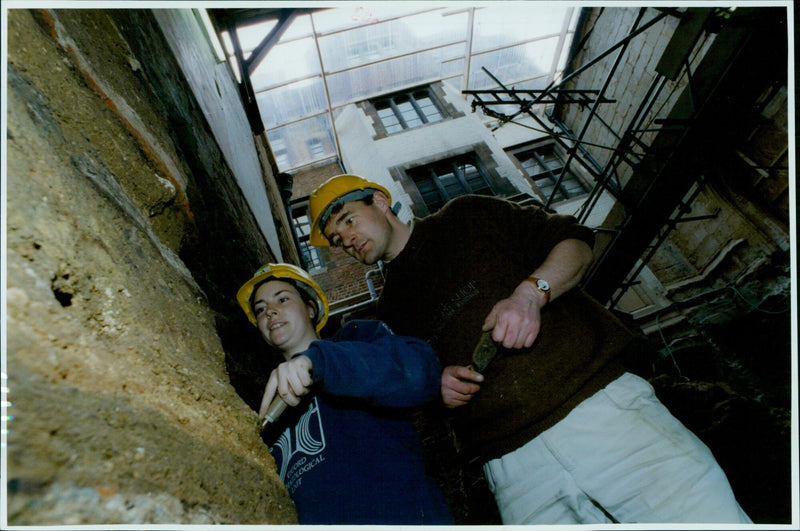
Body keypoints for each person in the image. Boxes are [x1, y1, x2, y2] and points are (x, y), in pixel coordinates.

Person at [306, 174, 753, 525]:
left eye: (348, 220)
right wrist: (437, 387)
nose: (347, 239)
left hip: (602, 416)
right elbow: (420, 387)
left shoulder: (467, 216)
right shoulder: (391, 310)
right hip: (514, 471)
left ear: (380, 202)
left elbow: (576, 243)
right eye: (338, 239)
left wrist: (530, 293)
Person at [236, 262, 452, 525]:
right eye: (260, 310)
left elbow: (421, 371)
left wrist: (318, 362)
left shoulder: (355, 340)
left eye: (282, 299)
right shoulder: (269, 407)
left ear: (311, 308)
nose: (270, 311)